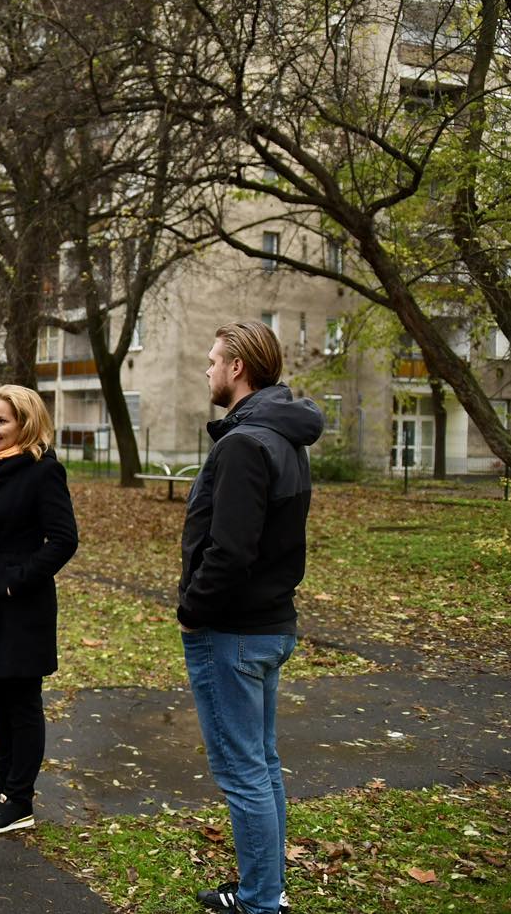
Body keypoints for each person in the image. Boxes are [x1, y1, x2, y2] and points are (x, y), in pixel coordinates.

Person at [180, 322, 323, 914]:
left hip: (235, 632)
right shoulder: (283, 438)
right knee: (261, 767)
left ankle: (262, 901)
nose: (208, 371)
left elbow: (231, 548)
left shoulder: (244, 444)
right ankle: (264, 891)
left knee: (244, 773)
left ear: (238, 367)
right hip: (268, 624)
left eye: (214, 361)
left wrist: (193, 611)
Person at [0, 384, 78, 835]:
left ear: (24, 422)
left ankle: (20, 799)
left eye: (1, 420)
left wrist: (13, 582)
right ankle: (3, 779)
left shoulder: (43, 471)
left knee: (21, 701)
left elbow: (64, 540)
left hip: (21, 606)